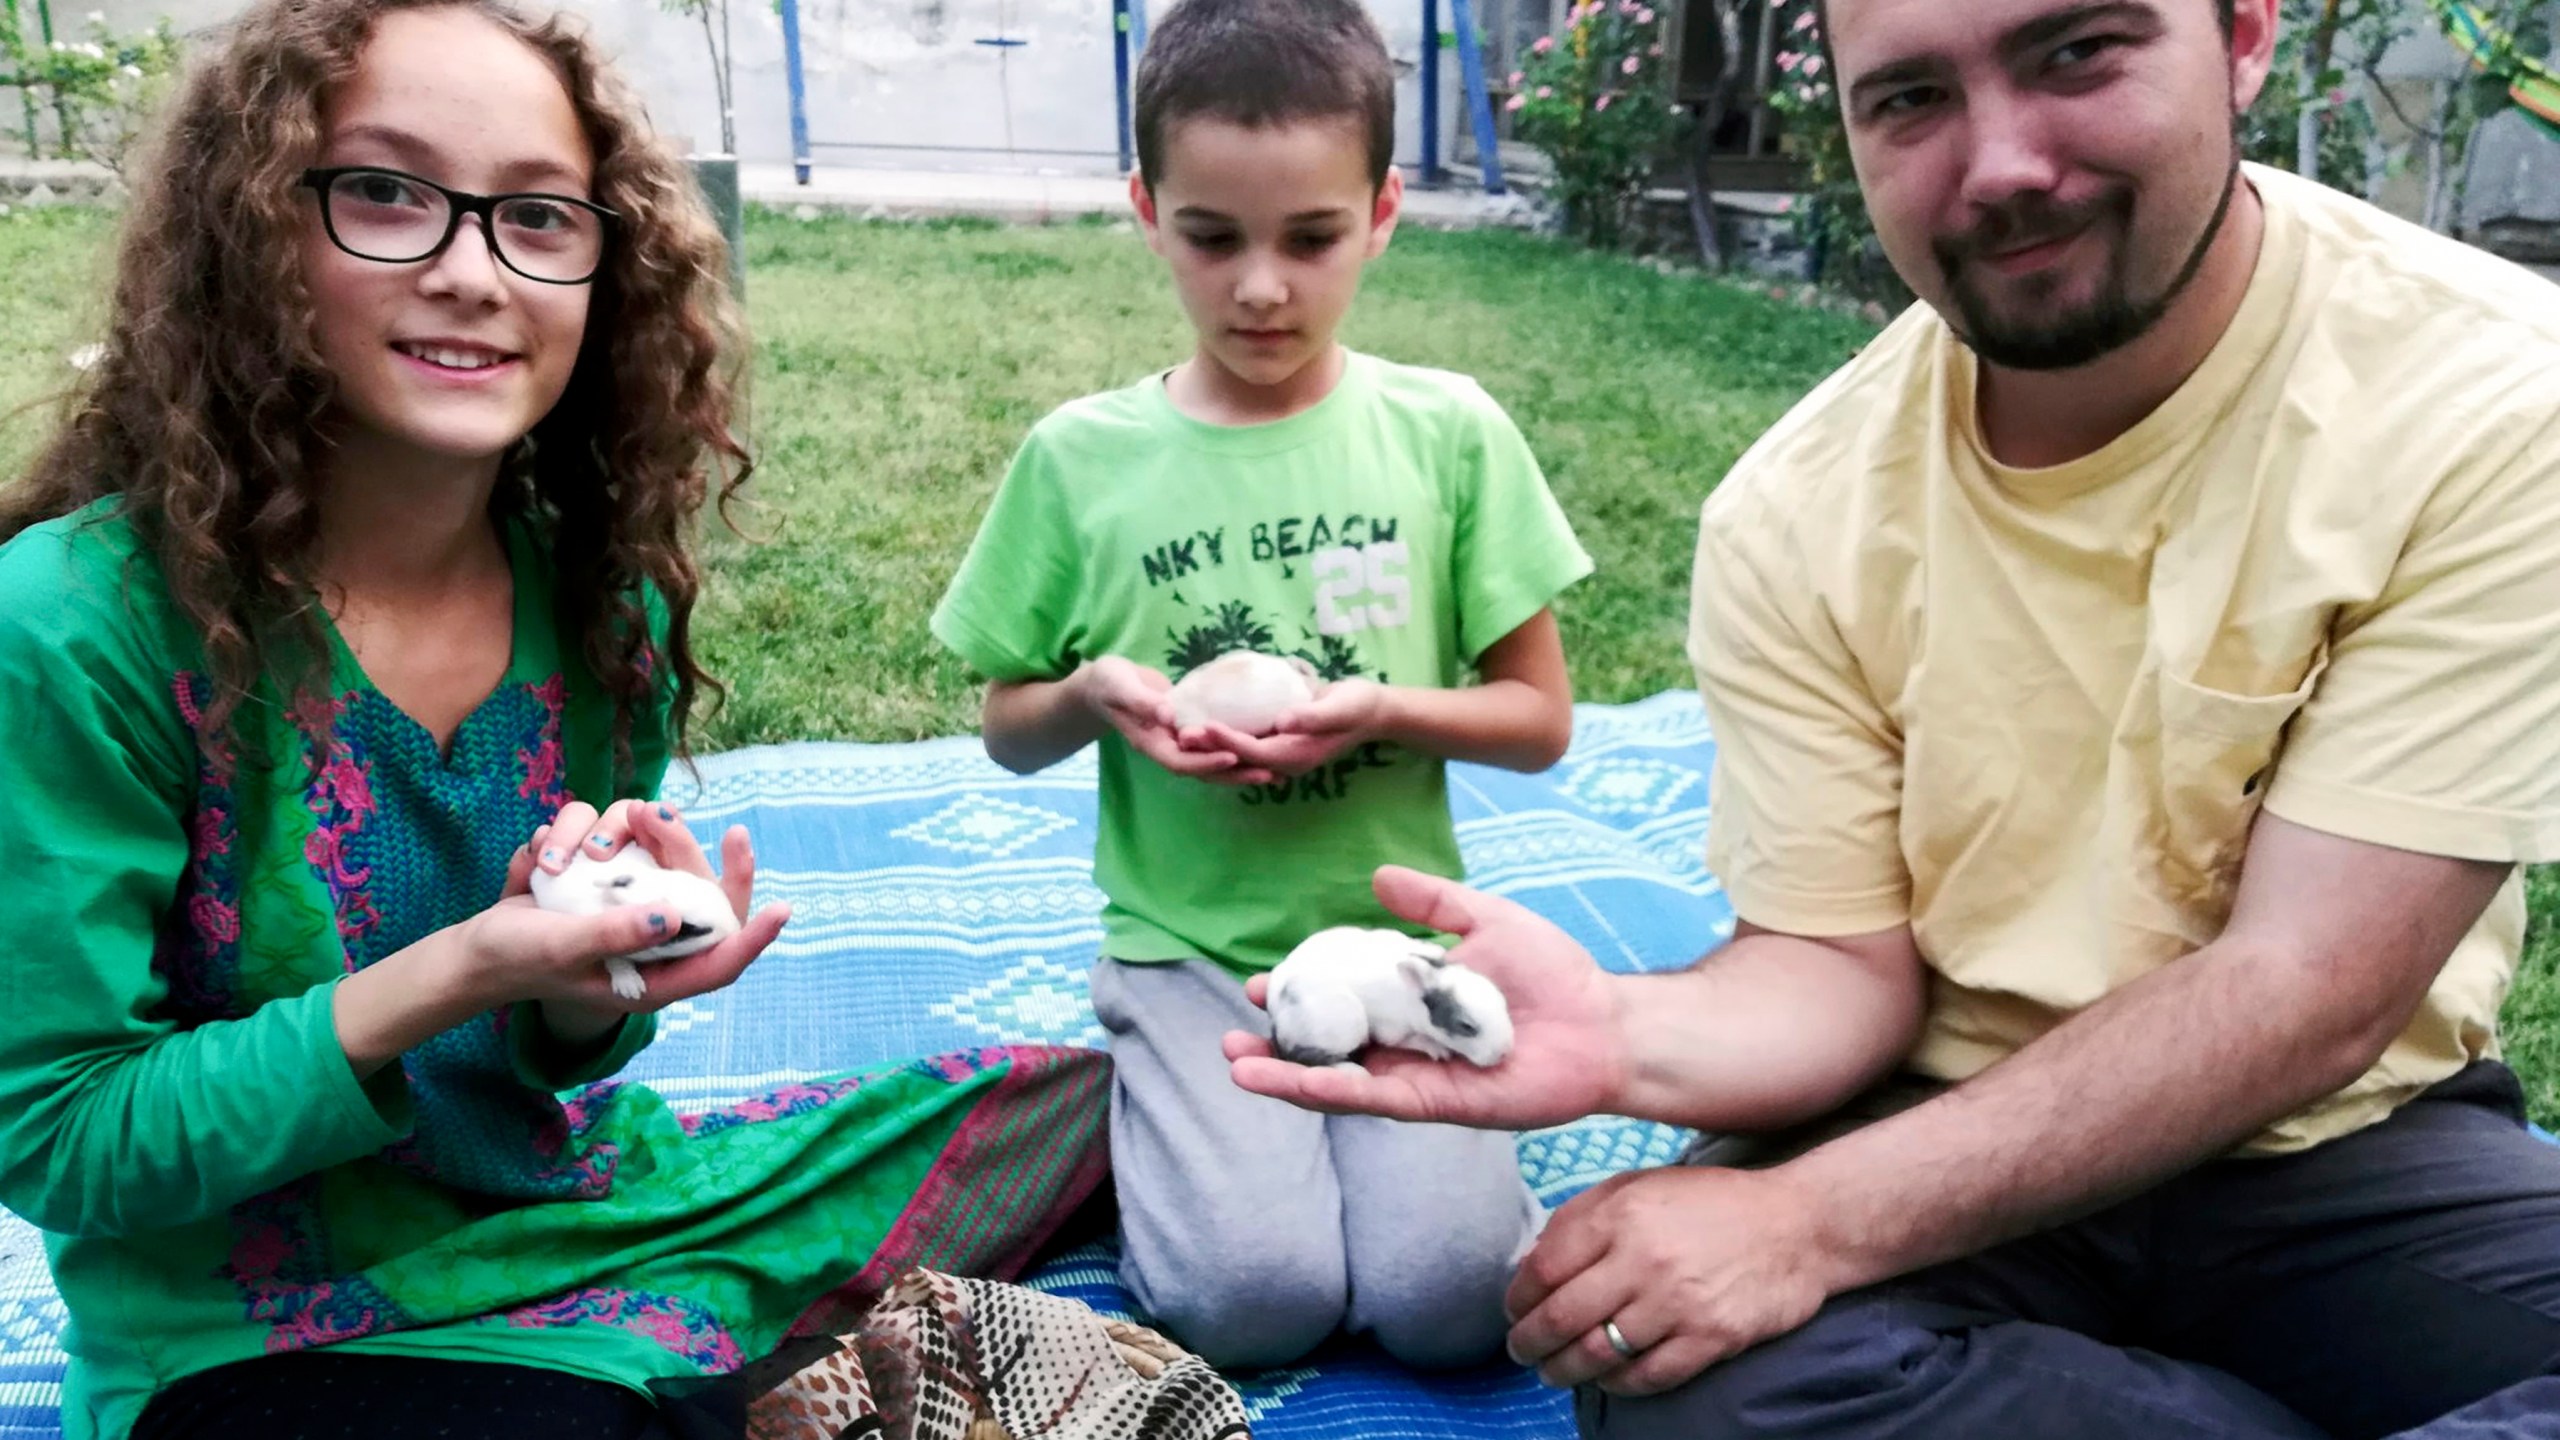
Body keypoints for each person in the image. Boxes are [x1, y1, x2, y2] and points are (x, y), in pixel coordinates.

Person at [1226, 0, 2560, 1434]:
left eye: (2077, 53)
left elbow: (2313, 987)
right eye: (1911, 99)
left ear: (2241, 38)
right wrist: (1613, 1033)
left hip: (2338, 1145)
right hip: (1929, 1109)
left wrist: (1806, 1223)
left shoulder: (2487, 394)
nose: (2000, 165)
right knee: (1667, 1366)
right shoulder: (1796, 514)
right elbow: (1839, 965)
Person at [0, 2, 1089, 1435]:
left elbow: (554, 1065)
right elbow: (67, 1139)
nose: (471, 271)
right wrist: (461, 968)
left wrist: (584, 996)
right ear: (253, 234)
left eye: (537, 217)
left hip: (580, 1212)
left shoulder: (594, 601)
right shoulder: (75, 625)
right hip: (264, 1326)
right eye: (385, 193)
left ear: (606, 269)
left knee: (1103, 1101)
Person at [928, 0, 1594, 1373]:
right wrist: (1092, 696)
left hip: (1395, 943)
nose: (1262, 291)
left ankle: (1292, 1144)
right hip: (1188, 951)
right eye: (1212, 236)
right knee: (1248, 1302)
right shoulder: (1080, 460)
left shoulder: (1448, 436)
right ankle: (1147, 1099)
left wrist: (1386, 707)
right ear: (1146, 209)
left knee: (1456, 1308)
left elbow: (1537, 724)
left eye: (1311, 238)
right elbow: (1006, 730)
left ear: (1385, 210)